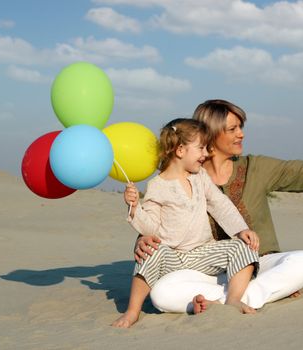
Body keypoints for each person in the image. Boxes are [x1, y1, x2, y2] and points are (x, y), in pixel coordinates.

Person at [134, 99, 303, 313]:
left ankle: (238, 298)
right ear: (210, 135)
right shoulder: (185, 175)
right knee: (161, 295)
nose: (241, 134)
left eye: (241, 127)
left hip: (259, 262)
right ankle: (249, 296)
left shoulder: (257, 167)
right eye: (232, 129)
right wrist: (143, 239)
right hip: (206, 271)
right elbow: (161, 220)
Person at [112, 118, 261, 328]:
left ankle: (233, 299)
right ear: (180, 150)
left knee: (243, 247)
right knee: (150, 252)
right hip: (173, 256)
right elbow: (151, 227)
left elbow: (219, 204)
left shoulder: (200, 176)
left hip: (203, 251)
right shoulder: (157, 186)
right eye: (200, 148)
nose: (205, 154)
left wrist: (241, 229)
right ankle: (132, 311)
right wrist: (135, 208)